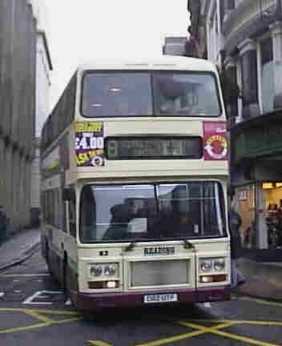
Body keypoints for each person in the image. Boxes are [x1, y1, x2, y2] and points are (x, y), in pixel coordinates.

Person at [229, 207, 246, 288]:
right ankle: (240, 278)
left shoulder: (227, 215)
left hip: (232, 243)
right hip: (236, 241)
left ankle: (234, 283)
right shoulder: (236, 215)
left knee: (231, 264)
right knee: (233, 263)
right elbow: (240, 222)